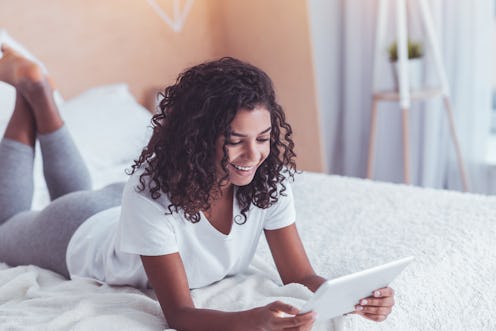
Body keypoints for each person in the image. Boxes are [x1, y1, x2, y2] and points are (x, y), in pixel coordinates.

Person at [0, 44, 395, 330]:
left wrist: (353, 297)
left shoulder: (268, 180)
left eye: (263, 137)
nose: (253, 154)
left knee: (73, 190)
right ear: (200, 136)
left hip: (112, 210)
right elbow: (180, 316)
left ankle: (38, 92)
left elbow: (300, 275)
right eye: (235, 139)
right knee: (6, 225)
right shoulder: (150, 191)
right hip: (77, 231)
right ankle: (29, 93)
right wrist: (250, 322)